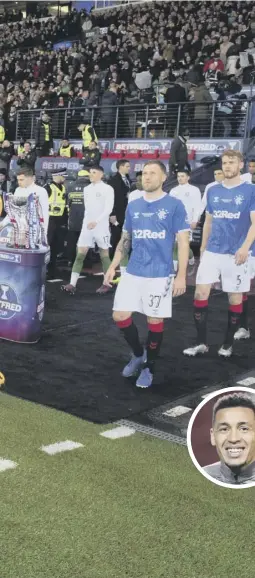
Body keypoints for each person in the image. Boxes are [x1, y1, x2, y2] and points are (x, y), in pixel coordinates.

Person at [104, 160, 190, 389]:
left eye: (153, 173)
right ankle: (137, 354)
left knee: (154, 320)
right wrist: (113, 265)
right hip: (133, 271)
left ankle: (149, 368)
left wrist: (182, 275)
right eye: (144, 174)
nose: (147, 177)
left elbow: (183, 242)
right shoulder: (134, 205)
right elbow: (125, 238)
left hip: (159, 274)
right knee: (120, 316)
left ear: (164, 178)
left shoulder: (174, 205)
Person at [183, 150, 255, 359]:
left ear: (241, 165)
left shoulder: (251, 191)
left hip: (237, 254)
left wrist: (244, 247)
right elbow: (209, 222)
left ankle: (227, 343)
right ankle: (201, 343)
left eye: (232, 162)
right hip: (213, 251)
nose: (227, 166)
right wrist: (203, 249)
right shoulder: (213, 190)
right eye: (224, 162)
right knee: (199, 294)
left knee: (234, 297)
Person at [61, 166, 114, 295]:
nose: (91, 175)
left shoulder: (107, 189)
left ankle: (107, 284)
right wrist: (86, 223)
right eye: (90, 173)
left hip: (101, 226)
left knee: (104, 255)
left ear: (101, 174)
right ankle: (72, 284)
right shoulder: (86, 189)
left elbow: (108, 209)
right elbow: (88, 209)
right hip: (87, 226)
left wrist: (96, 221)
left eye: (94, 173)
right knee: (80, 254)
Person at [203, 392, 255, 485]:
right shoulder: (204, 474)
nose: (233, 439)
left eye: (244, 429)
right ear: (213, 436)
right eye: (224, 429)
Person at [0, 166, 49, 235]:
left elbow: (44, 214)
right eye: (18, 180)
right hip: (18, 230)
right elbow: (13, 211)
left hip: (33, 230)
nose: (19, 182)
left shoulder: (41, 191)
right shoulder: (18, 190)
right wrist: (2, 224)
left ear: (31, 178)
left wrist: (43, 234)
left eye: (21, 180)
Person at [170, 170, 201, 271]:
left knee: (183, 244)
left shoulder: (194, 190)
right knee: (175, 244)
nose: (180, 178)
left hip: (188, 221)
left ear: (188, 177)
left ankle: (191, 257)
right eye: (178, 176)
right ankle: (174, 269)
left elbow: (197, 206)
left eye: (182, 176)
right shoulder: (173, 190)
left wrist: (195, 220)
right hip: (175, 221)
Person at [45, 170, 67, 279]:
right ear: (57, 176)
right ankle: (46, 268)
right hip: (50, 221)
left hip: (60, 221)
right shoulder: (48, 188)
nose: (65, 178)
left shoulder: (63, 188)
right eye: (63, 176)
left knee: (56, 246)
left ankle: (53, 268)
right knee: (48, 245)